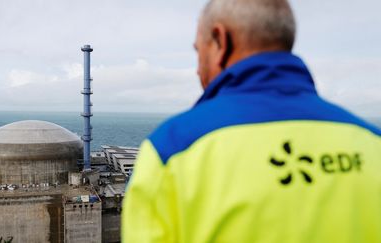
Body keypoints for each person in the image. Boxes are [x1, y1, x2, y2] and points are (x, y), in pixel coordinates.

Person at [122, 0, 381, 242]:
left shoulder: (171, 151)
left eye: (199, 52)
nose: (197, 70)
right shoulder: (372, 142)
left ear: (220, 41)